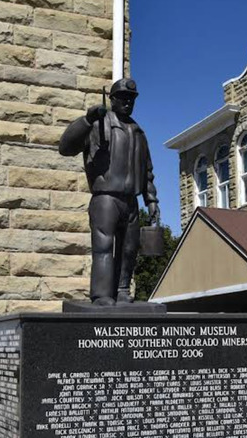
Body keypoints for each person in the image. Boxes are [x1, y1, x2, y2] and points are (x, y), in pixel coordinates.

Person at [59, 78, 159, 305]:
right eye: (123, 98)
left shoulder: (138, 132)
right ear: (112, 99)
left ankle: (122, 289)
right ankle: (102, 295)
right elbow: (65, 147)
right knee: (103, 247)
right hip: (106, 198)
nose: (127, 102)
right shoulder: (98, 124)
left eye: (131, 99)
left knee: (129, 249)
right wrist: (86, 119)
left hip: (130, 201)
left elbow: (147, 170)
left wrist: (151, 200)